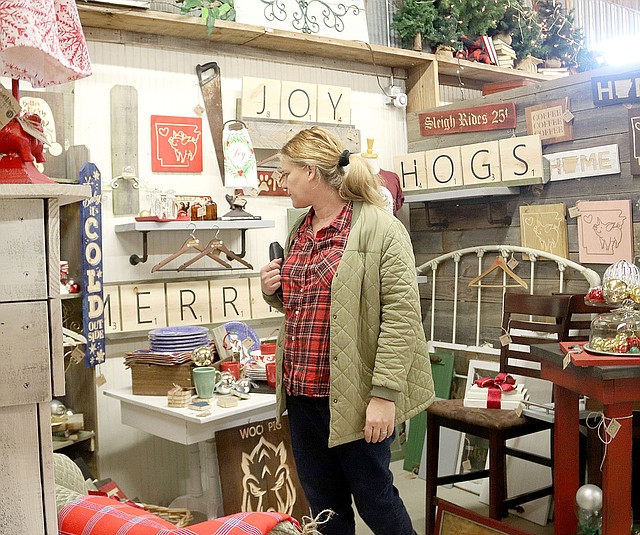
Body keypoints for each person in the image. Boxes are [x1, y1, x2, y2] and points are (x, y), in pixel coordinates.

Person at [260, 126, 435, 535]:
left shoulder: (381, 229)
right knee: (325, 509)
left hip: (355, 394)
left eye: (286, 173)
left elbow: (401, 315)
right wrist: (275, 290)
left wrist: (384, 396)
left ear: (310, 172)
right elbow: (313, 305)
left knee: (375, 499)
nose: (281, 181)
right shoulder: (300, 228)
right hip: (303, 394)